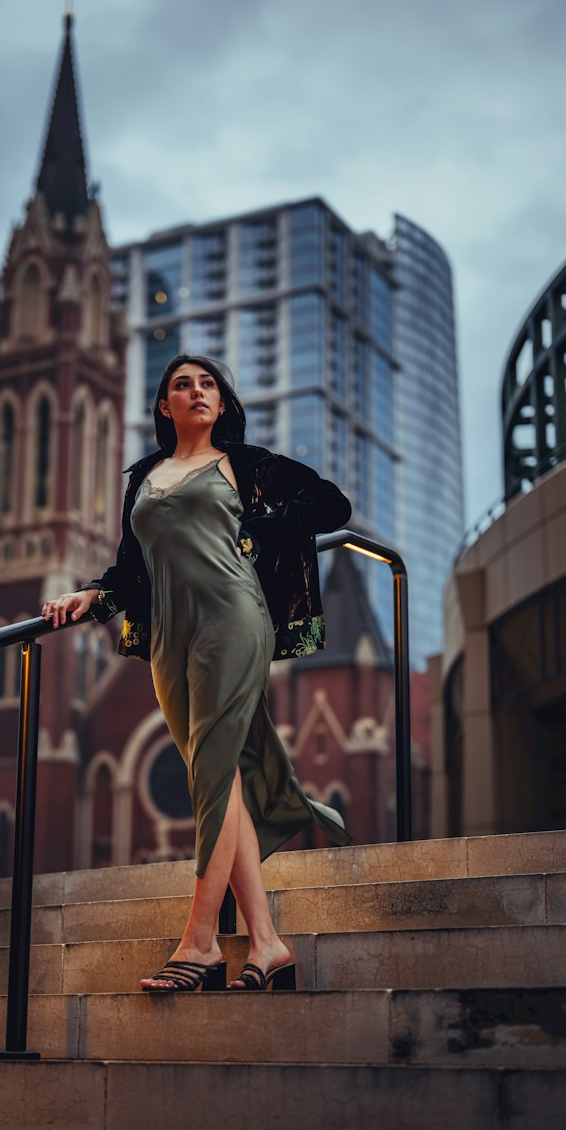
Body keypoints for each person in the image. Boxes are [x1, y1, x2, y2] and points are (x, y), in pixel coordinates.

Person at [41, 355, 352, 992]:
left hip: (234, 618)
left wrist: (267, 525)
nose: (196, 391)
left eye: (207, 383)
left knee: (210, 773)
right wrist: (90, 598)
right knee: (221, 774)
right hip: (169, 637)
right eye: (182, 384)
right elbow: (132, 569)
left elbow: (330, 503)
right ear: (164, 406)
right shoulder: (145, 478)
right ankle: (267, 944)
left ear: (221, 400)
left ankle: (202, 942)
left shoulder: (246, 463)